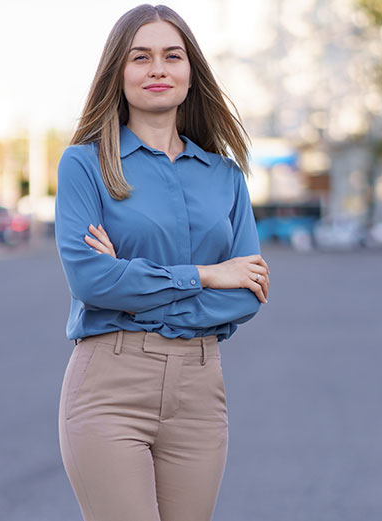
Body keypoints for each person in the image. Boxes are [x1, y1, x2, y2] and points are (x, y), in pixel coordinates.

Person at [54, 5, 270, 520]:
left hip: (200, 391)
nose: (157, 69)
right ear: (118, 73)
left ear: (190, 73)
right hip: (110, 387)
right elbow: (91, 279)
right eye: (140, 57)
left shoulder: (225, 176)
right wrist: (206, 276)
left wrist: (133, 290)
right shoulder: (85, 164)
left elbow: (246, 293)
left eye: (172, 56)